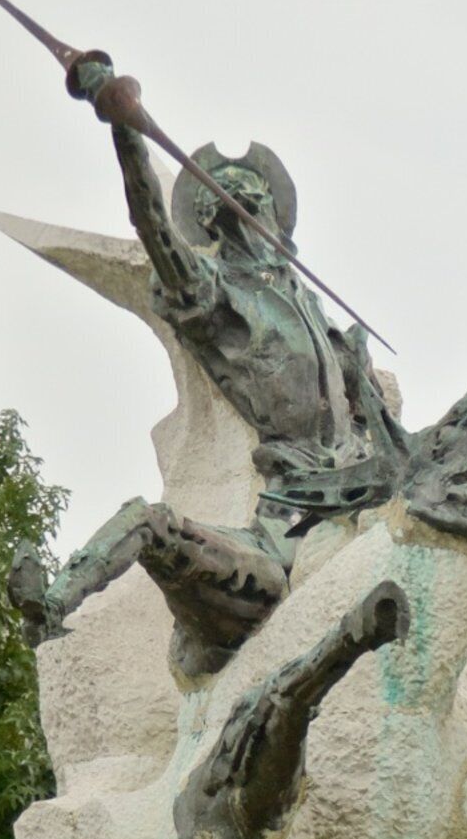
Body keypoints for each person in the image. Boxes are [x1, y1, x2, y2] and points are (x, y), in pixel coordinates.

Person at [66, 49, 405, 535]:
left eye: (244, 186)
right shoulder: (211, 292)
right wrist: (125, 130)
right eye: (214, 190)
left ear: (269, 201)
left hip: (364, 483)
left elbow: (373, 418)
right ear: (204, 217)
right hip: (294, 500)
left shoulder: (318, 313)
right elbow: (153, 225)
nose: (228, 192)